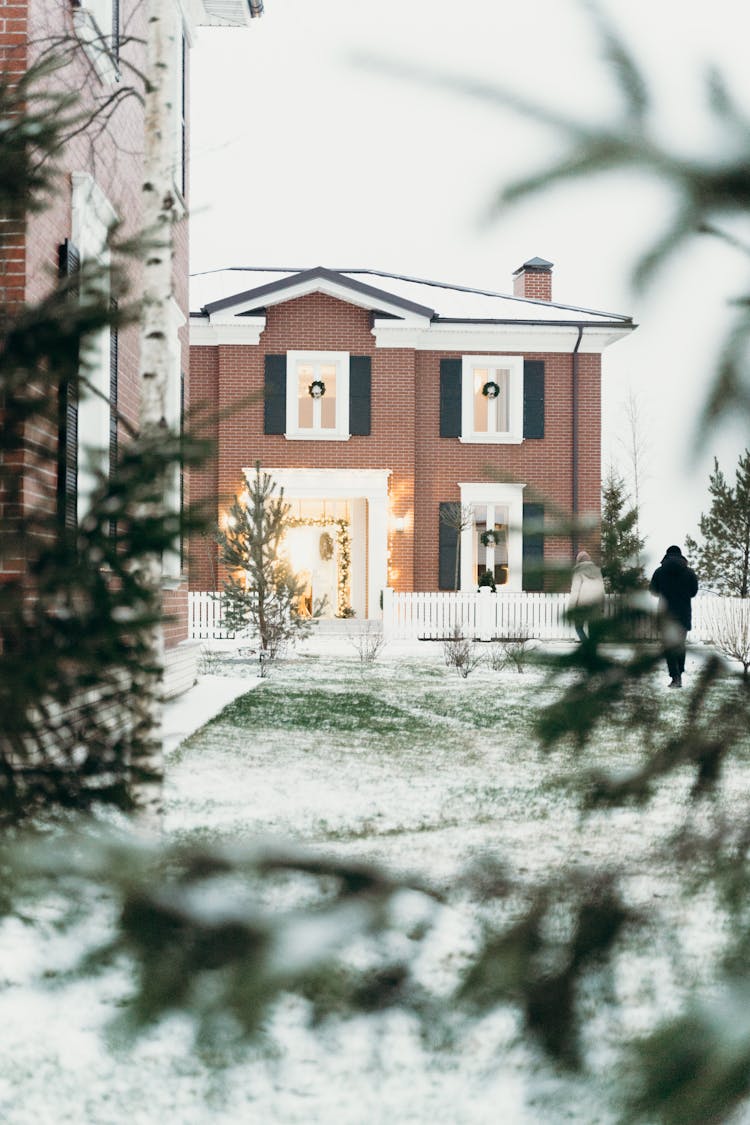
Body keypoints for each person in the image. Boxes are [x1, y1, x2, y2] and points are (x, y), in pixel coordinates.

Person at [649, 544, 699, 688]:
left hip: (666, 614)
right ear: (681, 555)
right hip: (683, 614)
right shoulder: (689, 572)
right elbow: (693, 592)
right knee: (680, 645)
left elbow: (652, 590)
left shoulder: (659, 571)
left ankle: (675, 676)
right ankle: (680, 672)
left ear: (667, 555)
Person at [568, 550, 605, 641]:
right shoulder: (597, 571)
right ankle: (591, 649)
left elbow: (575, 591)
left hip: (582, 605)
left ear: (579, 560)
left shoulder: (578, 571)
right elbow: (602, 589)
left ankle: (586, 646)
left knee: (578, 627)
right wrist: (602, 606)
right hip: (595, 604)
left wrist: (571, 608)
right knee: (592, 629)